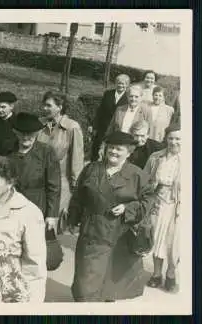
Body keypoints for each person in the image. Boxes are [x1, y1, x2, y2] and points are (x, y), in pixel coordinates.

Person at [68, 131, 155, 302]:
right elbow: (78, 196)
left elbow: (149, 199)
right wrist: (73, 219)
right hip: (92, 229)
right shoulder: (91, 169)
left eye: (119, 149)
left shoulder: (136, 174)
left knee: (110, 277)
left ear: (129, 152)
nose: (113, 152)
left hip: (119, 231)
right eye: (111, 148)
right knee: (87, 277)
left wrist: (128, 207)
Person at [0, 156, 47, 302]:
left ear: (10, 183)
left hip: (7, 291)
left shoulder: (29, 213)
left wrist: (32, 304)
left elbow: (34, 267)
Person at [37, 91, 85, 233]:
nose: (44, 108)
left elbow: (77, 159)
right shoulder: (40, 124)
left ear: (60, 107)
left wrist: (76, 187)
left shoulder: (71, 127)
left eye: (48, 105)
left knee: (52, 227)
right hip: (38, 183)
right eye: (43, 105)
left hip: (60, 184)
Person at [144, 124, 181, 292]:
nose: (174, 142)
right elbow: (144, 180)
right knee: (156, 238)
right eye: (171, 138)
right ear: (166, 138)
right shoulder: (156, 157)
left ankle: (171, 274)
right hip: (158, 202)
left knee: (174, 243)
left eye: (178, 138)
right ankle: (157, 274)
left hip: (178, 206)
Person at [9, 112, 61, 231]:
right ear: (16, 132)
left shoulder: (46, 152)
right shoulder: (7, 150)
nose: (26, 137)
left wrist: (51, 214)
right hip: (11, 206)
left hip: (37, 205)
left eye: (30, 134)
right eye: (22, 133)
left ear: (37, 134)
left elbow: (54, 186)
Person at [90, 74, 130, 161]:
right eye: (119, 83)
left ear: (127, 85)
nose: (120, 85)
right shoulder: (108, 94)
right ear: (116, 83)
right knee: (96, 149)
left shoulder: (128, 98)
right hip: (103, 127)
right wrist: (94, 125)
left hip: (116, 128)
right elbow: (100, 110)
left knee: (112, 151)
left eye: (123, 84)